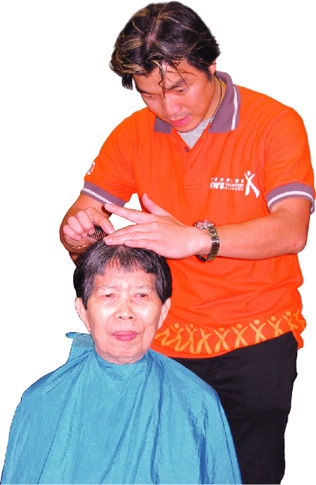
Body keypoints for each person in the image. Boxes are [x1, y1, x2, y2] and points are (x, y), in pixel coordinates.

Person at [59, 2, 315, 483]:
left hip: (256, 336)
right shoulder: (133, 134)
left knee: (247, 474)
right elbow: (82, 213)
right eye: (149, 94)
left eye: (179, 88)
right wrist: (76, 231)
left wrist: (195, 238)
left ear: (211, 65)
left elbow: (291, 228)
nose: (168, 108)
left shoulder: (274, 123)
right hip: (163, 340)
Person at [1, 241, 241, 485]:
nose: (125, 311)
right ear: (83, 311)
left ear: (164, 310)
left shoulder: (198, 402)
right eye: (109, 295)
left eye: (141, 295)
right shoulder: (43, 400)